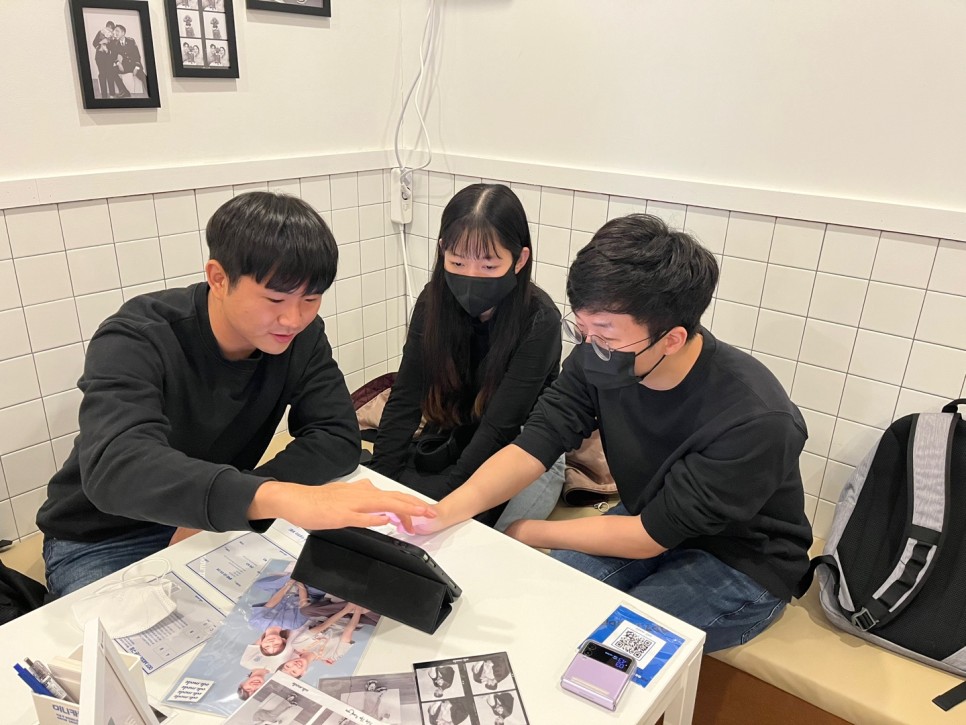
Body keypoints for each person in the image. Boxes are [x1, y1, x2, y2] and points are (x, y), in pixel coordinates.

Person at [416, 214, 812, 653]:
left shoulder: (756, 418)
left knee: (609, 648)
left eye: (605, 334)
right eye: (582, 328)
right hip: (651, 516)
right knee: (545, 605)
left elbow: (647, 538)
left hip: (741, 561)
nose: (589, 346)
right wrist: (445, 511)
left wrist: (527, 531)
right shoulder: (601, 358)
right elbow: (536, 442)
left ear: (672, 339)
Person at [37, 192, 434, 598]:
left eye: (311, 299)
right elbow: (117, 467)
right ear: (218, 278)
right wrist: (266, 497)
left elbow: (337, 436)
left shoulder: (300, 337)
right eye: (275, 299)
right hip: (104, 537)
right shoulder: (137, 336)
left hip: (218, 518)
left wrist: (244, 497)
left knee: (295, 619)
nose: (293, 318)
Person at [369, 184, 563, 529]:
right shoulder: (432, 302)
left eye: (488, 266)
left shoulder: (540, 320)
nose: (471, 276)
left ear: (519, 260)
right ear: (442, 250)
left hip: (522, 448)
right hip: (455, 432)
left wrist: (444, 507)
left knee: (486, 535)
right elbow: (405, 398)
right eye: (458, 262)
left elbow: (500, 428)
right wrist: (381, 484)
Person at [92, 21, 124, 98]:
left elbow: (114, 48)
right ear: (106, 27)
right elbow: (94, 43)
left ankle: (112, 94)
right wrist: (101, 44)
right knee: (102, 75)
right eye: (108, 28)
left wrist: (108, 47)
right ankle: (104, 96)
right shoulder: (100, 32)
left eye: (111, 29)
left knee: (110, 75)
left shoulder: (114, 36)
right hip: (99, 58)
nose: (109, 30)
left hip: (109, 58)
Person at [113, 24, 146, 89]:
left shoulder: (131, 41)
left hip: (134, 65)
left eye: (117, 31)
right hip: (124, 66)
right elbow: (114, 57)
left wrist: (136, 68)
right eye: (115, 31)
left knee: (144, 77)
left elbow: (137, 56)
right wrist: (118, 64)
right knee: (112, 71)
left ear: (123, 33)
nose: (115, 33)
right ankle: (124, 92)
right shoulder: (115, 43)